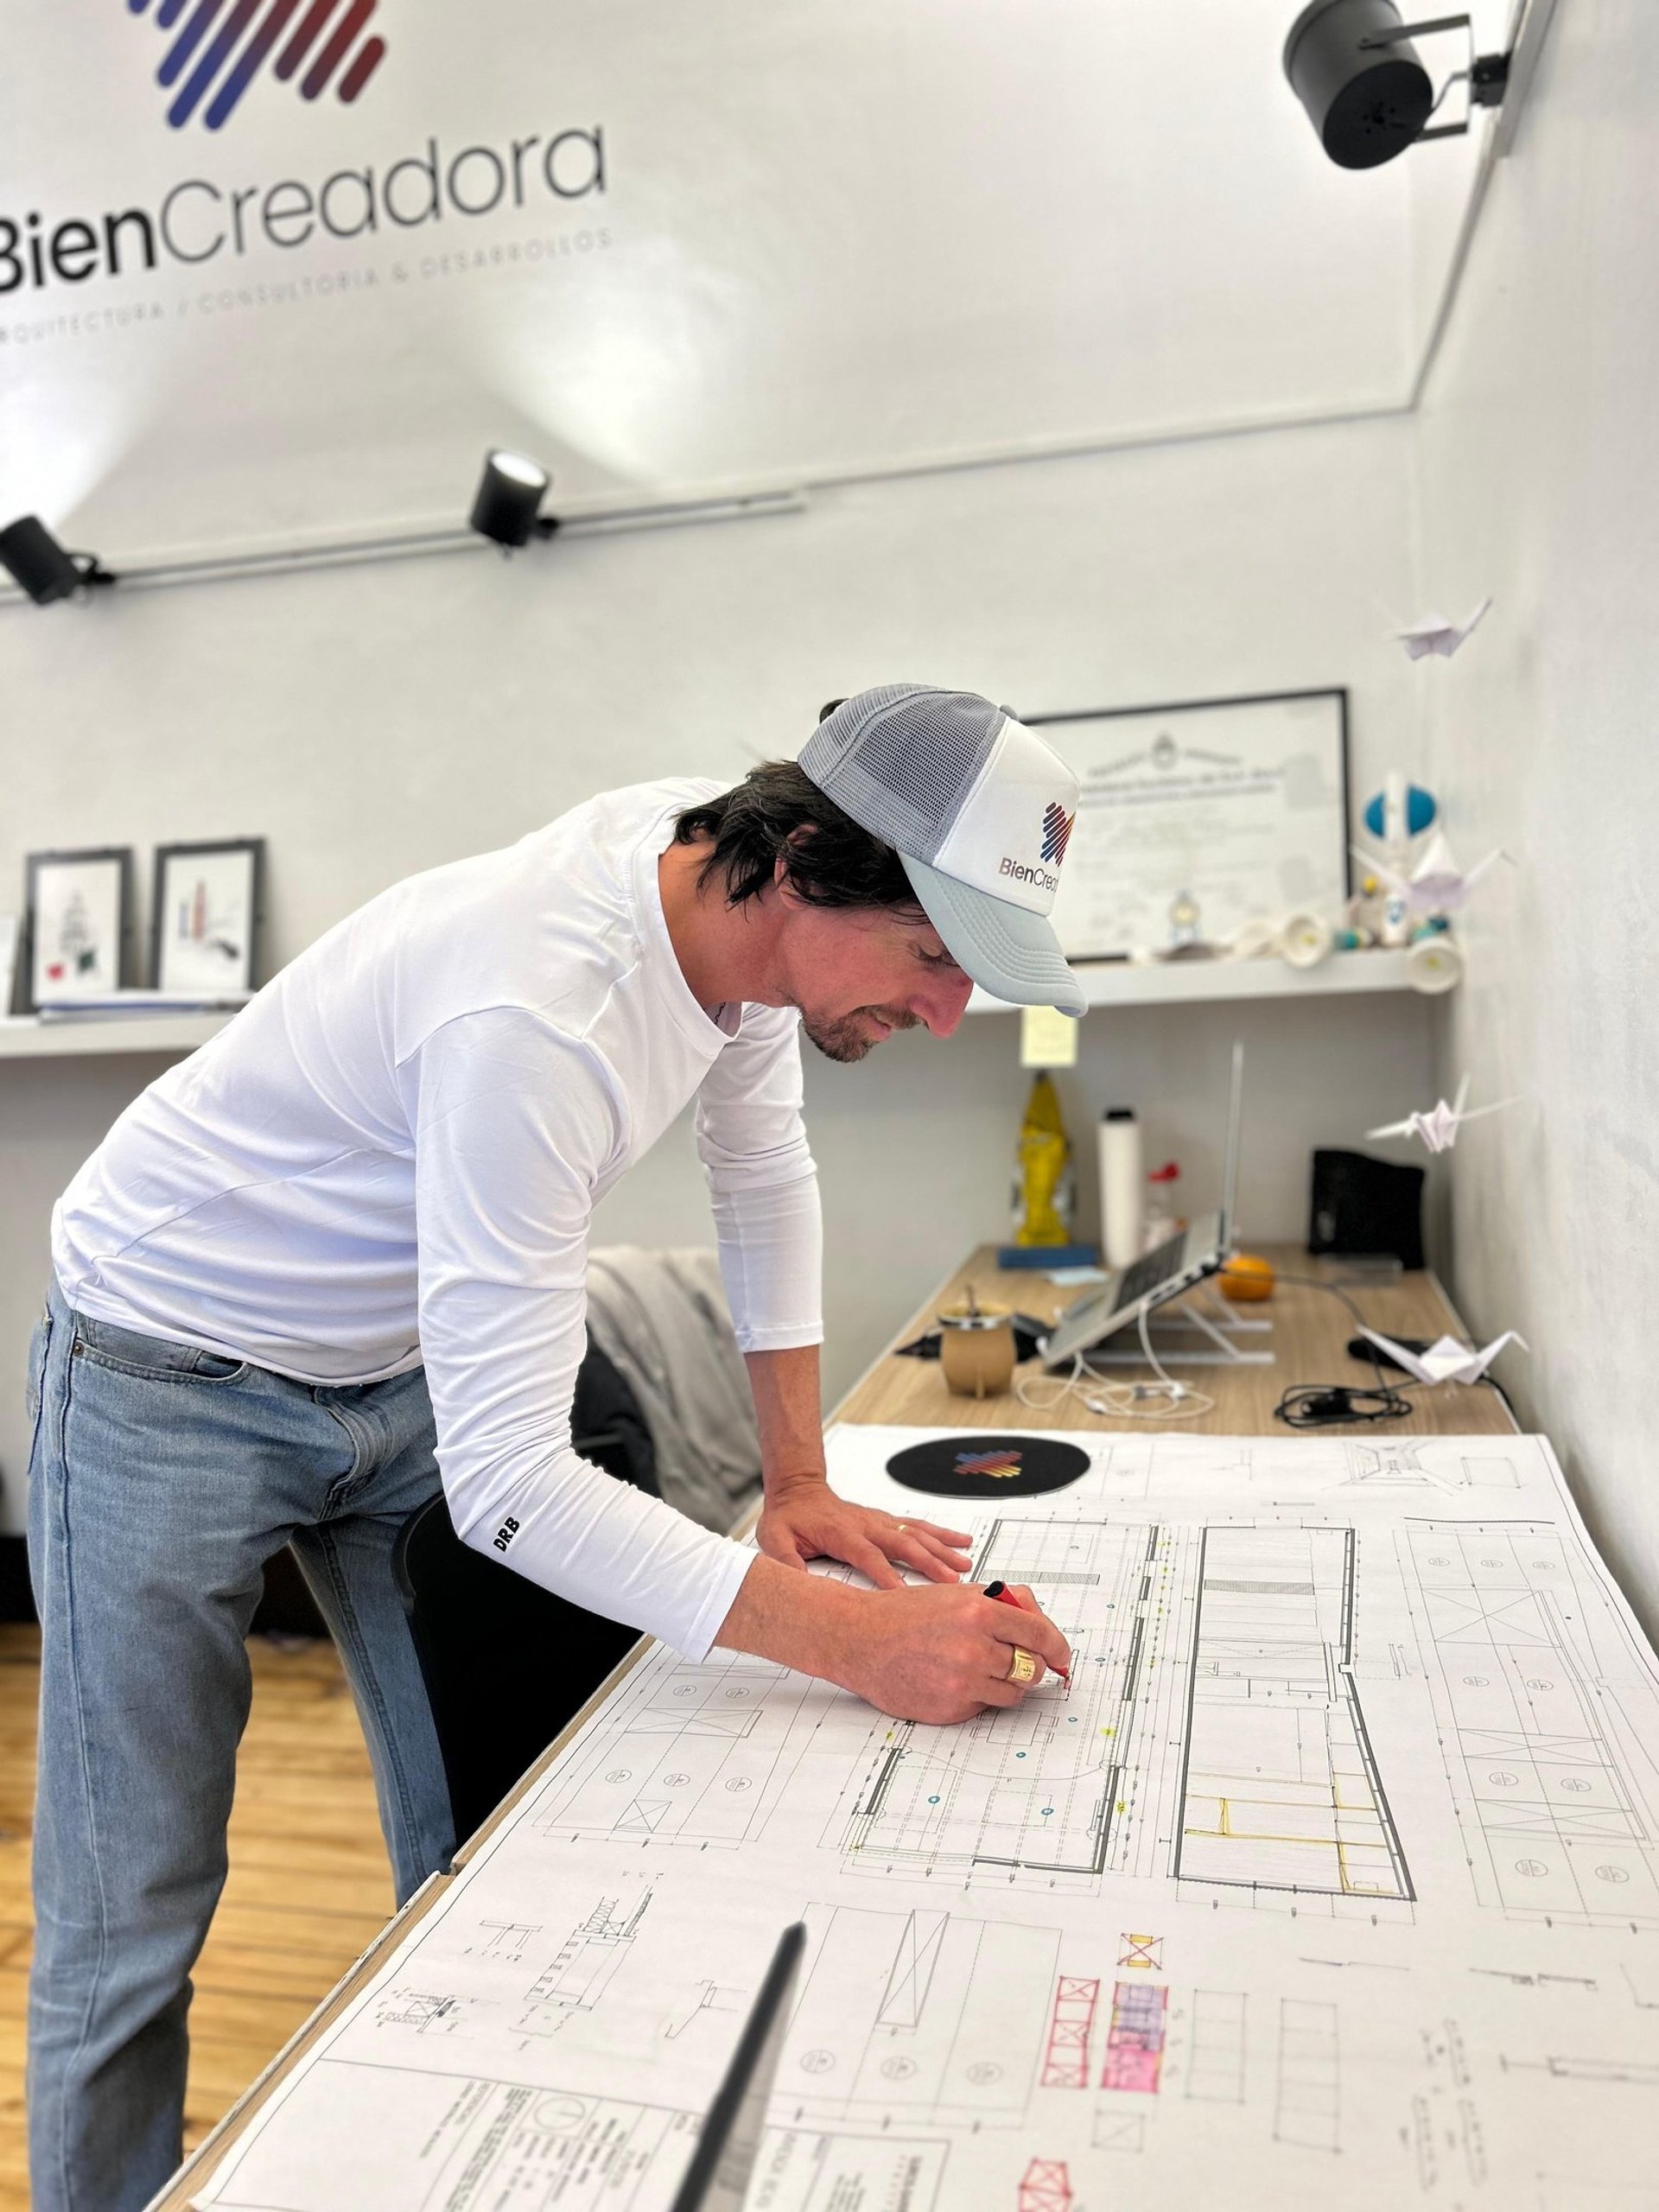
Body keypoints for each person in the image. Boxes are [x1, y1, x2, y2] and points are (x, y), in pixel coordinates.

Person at [23, 683, 1084, 2209]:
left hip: (399, 1370)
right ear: (799, 868)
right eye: (932, 957)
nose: (947, 1012)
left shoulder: (727, 910)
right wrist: (862, 1644)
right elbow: (517, 1490)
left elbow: (762, 1170)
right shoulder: (540, 1004)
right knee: (132, 1911)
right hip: (164, 1370)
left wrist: (799, 1483)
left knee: (491, 1823)